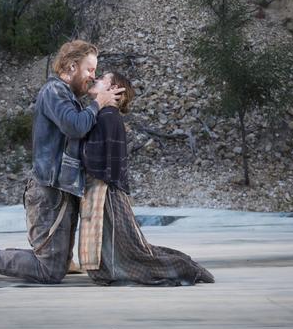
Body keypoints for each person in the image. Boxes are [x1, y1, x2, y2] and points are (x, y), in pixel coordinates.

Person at [0, 39, 123, 284]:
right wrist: (98, 103)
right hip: (48, 192)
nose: (92, 76)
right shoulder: (53, 91)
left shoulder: (67, 97)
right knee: (49, 271)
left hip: (59, 192)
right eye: (89, 69)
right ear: (72, 67)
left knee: (58, 266)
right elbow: (74, 127)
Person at [79, 70, 215, 286]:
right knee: (129, 244)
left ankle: (183, 268)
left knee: (131, 249)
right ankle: (183, 267)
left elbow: (94, 158)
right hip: (110, 189)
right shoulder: (109, 116)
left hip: (106, 191)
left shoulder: (106, 116)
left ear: (114, 89)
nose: (97, 79)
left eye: (103, 78)